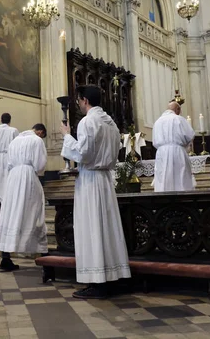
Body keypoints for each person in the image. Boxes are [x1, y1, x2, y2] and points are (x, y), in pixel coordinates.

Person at [60, 85, 131, 299]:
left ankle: (97, 282)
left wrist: (67, 136)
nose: (79, 105)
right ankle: (111, 276)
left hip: (91, 181)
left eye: (79, 101)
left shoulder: (88, 121)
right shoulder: (111, 123)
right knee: (106, 229)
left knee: (92, 229)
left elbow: (84, 154)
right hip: (105, 181)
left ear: (84, 100)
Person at [0, 123, 48, 272]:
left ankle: (5, 259)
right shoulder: (36, 141)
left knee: (11, 214)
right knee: (34, 213)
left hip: (12, 179)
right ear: (40, 132)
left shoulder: (14, 141)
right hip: (27, 176)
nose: (41, 138)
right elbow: (39, 165)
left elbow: (9, 163)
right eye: (42, 136)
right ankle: (45, 256)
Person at [152, 101, 196, 192]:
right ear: (177, 109)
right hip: (177, 151)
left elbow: (154, 141)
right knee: (180, 178)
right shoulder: (179, 119)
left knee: (163, 179)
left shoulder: (157, 122)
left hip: (161, 153)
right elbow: (190, 135)